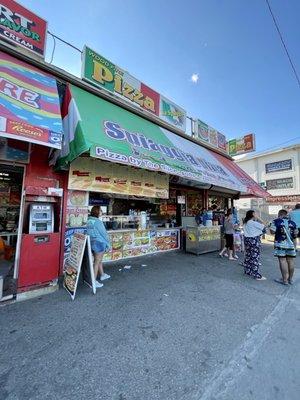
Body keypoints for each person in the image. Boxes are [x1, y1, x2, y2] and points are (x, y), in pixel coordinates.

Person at [270, 209, 297, 285]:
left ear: (280, 215)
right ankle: (290, 279)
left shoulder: (276, 221)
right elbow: (295, 235)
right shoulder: (293, 223)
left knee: (282, 261)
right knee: (290, 261)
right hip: (291, 245)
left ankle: (284, 280)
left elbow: (272, 232)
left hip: (280, 243)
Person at [86, 206, 111, 288]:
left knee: (98, 260)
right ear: (97, 212)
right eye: (100, 210)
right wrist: (108, 244)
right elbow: (104, 234)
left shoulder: (88, 220)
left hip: (92, 242)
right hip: (99, 243)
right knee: (96, 262)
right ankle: (93, 281)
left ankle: (102, 275)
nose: (101, 212)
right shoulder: (98, 222)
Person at [243, 210, 266, 281]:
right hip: (254, 240)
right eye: (255, 213)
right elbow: (264, 225)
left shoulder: (246, 222)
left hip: (247, 240)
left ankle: (248, 271)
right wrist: (258, 218)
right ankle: (256, 275)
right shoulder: (253, 223)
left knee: (248, 256)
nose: (256, 214)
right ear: (253, 214)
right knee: (255, 257)